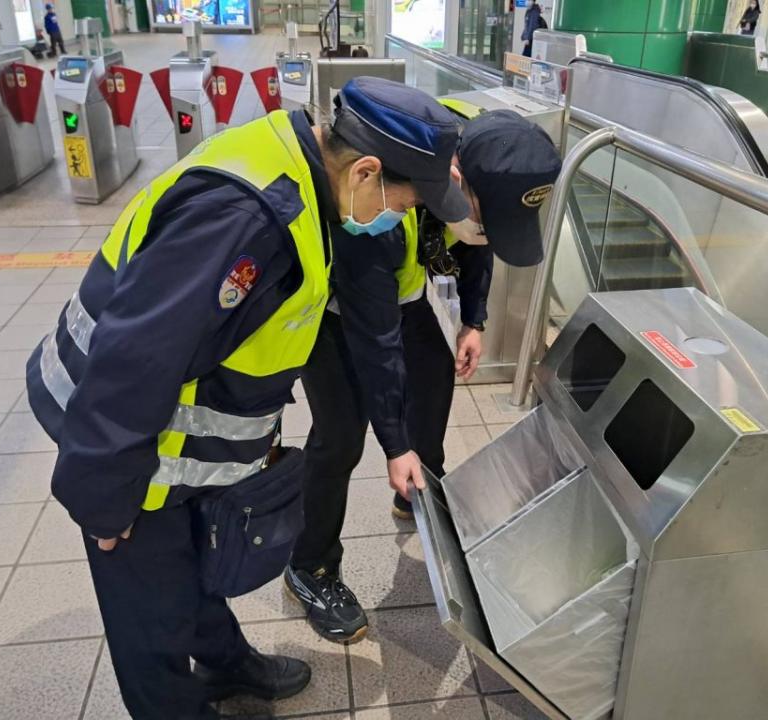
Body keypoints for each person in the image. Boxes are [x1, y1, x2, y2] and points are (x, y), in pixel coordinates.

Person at [25, 76, 468, 720]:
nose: (403, 214)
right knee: (152, 620)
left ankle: (228, 661)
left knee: (196, 567)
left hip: (176, 446)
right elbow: (135, 359)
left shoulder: (304, 169)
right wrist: (103, 500)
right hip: (130, 452)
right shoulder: (246, 221)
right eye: (405, 199)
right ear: (368, 171)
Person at [284, 106, 563, 644]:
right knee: (342, 435)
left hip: (404, 298)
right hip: (341, 313)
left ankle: (416, 494)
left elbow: (479, 249)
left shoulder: (475, 190)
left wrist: (474, 322)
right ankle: (310, 566)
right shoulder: (382, 203)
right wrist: (393, 445)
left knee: (433, 386)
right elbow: (376, 341)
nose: (484, 228)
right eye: (484, 215)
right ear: (455, 180)